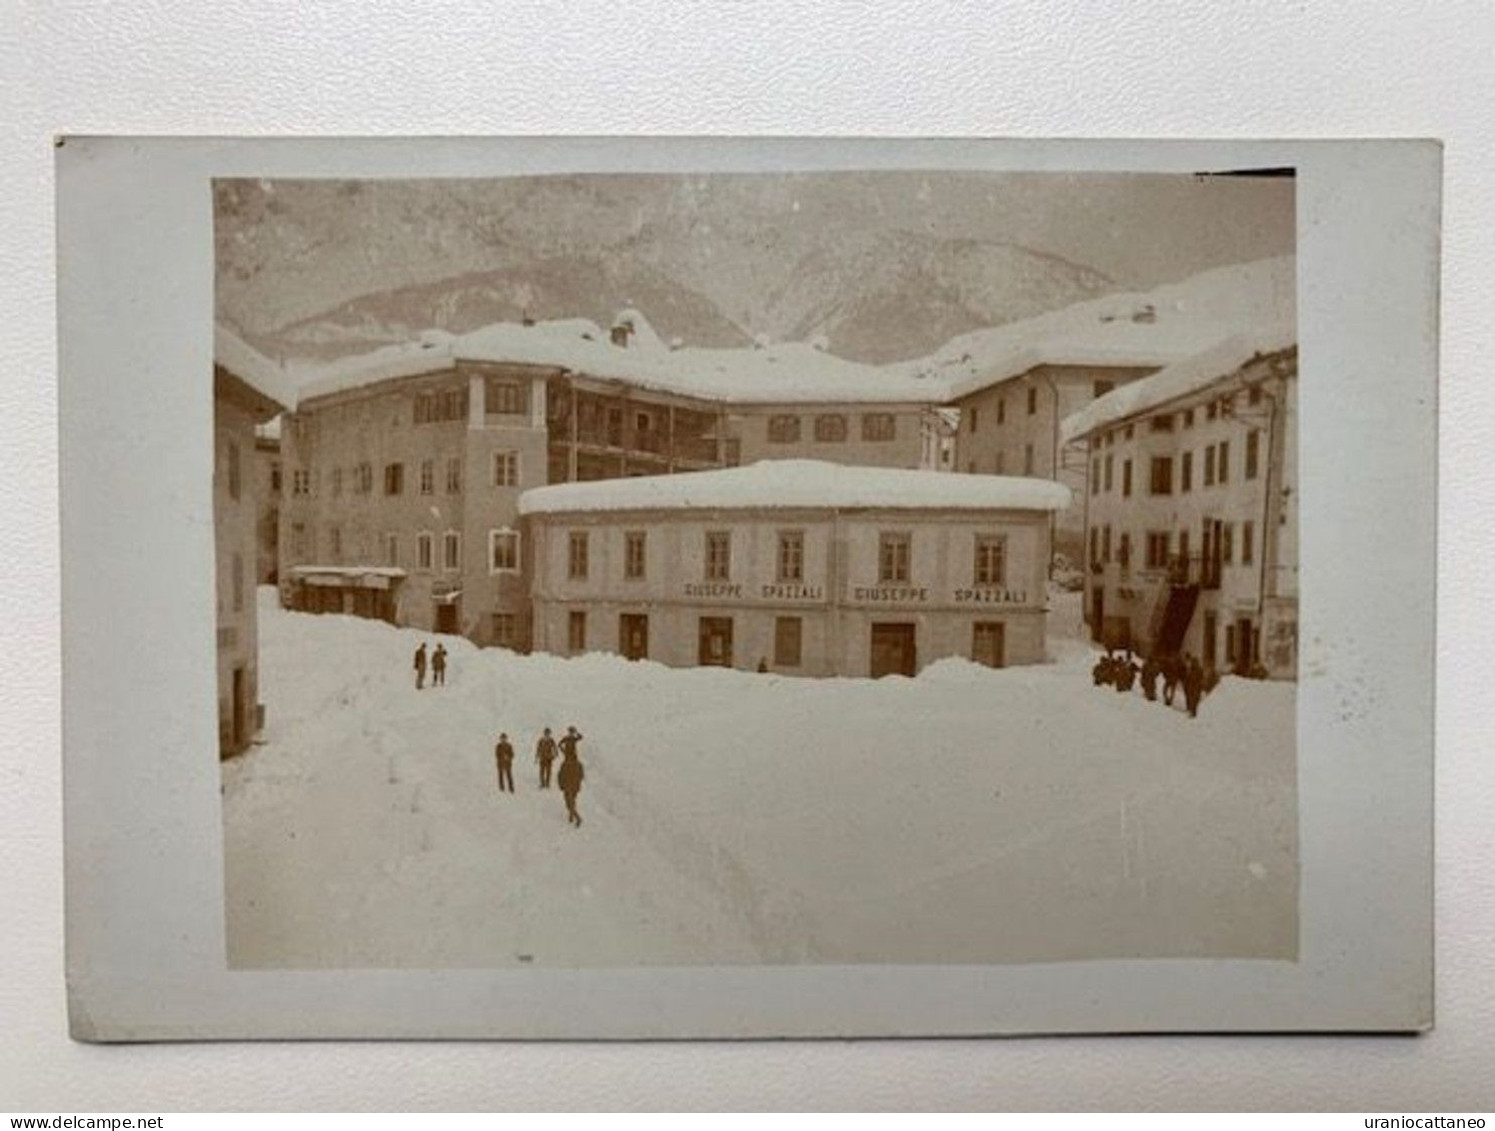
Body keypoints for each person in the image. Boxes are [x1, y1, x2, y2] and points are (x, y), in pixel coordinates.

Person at [557, 726, 585, 827]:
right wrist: (563, 750)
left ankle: (577, 817)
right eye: (570, 732)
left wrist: (561, 784)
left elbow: (580, 737)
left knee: (569, 802)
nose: (571, 733)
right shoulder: (567, 739)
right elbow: (559, 744)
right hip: (575, 784)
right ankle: (571, 815)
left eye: (572, 732)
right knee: (572, 800)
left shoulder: (573, 739)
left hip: (570, 784)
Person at [1183, 654, 1204, 719]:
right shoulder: (1191, 670)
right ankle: (1192, 712)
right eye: (1194, 662)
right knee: (1193, 699)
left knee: (1195, 700)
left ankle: (1193, 711)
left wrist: (1201, 685)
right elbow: (1187, 678)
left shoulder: (1198, 670)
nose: (1194, 663)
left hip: (1196, 687)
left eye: (1195, 662)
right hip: (1192, 687)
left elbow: (1201, 678)